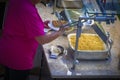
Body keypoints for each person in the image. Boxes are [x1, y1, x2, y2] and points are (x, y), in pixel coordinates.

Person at [0, 0, 66, 80]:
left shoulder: (20, 2)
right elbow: (42, 40)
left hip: (8, 50)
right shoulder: (27, 10)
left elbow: (22, 22)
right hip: (19, 57)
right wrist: (59, 32)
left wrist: (39, 25)